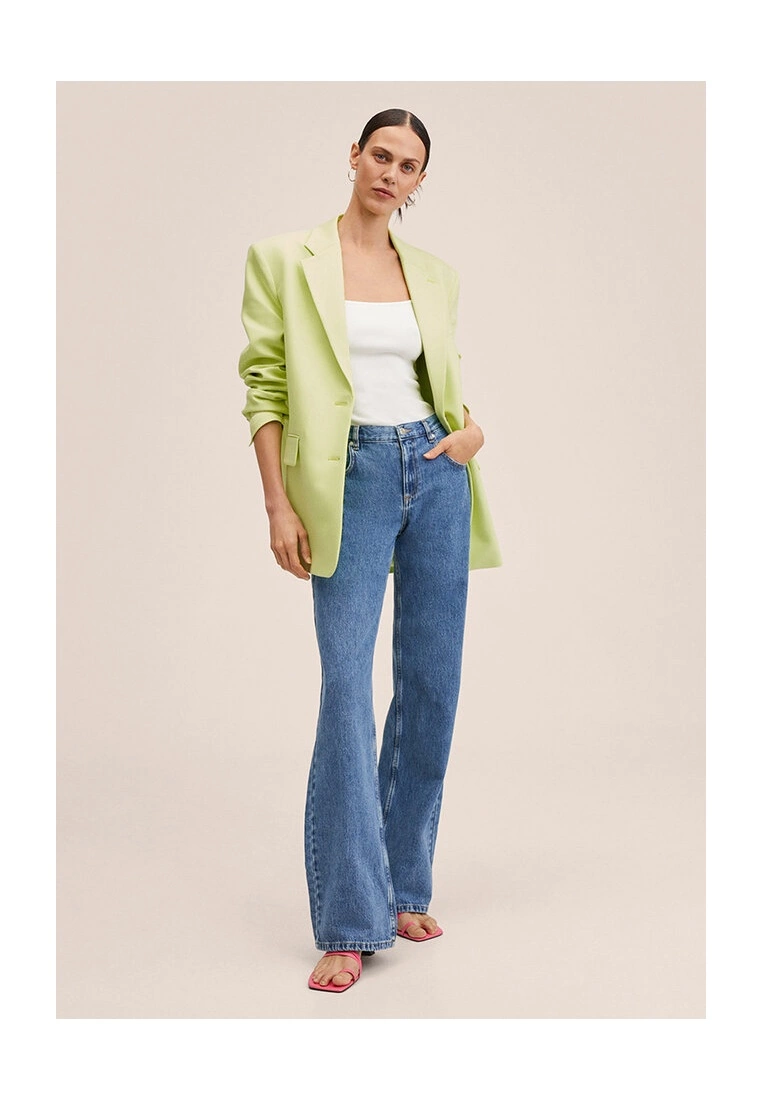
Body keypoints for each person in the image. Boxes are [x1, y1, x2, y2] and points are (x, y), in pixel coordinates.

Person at [237, 108, 502, 992]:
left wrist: (469, 435)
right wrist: (277, 502)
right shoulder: (285, 259)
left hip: (435, 470)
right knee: (347, 688)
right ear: (353, 157)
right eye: (380, 155)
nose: (390, 172)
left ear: (420, 182)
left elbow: (437, 377)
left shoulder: (434, 274)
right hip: (345, 479)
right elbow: (265, 386)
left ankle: (403, 886)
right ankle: (350, 918)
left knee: (431, 684)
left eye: (408, 165)